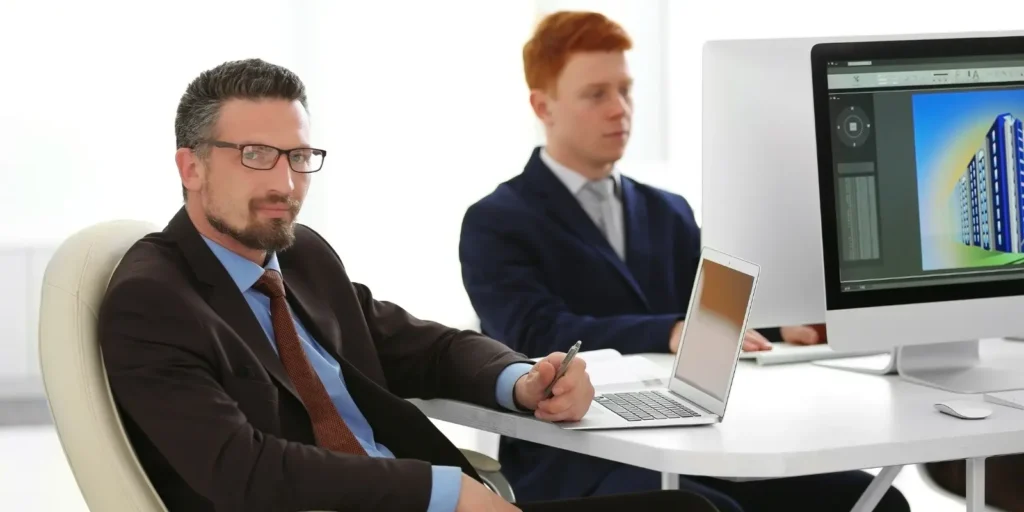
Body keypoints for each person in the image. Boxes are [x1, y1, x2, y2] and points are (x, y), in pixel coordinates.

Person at [97, 58, 721, 512]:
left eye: (299, 157)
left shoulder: (301, 254)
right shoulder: (152, 301)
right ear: (191, 166)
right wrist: (442, 493)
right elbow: (244, 471)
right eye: (257, 155)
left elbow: (421, 345)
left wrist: (521, 379)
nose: (285, 185)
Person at [458, 11, 908, 512]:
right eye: (596, 94)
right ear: (543, 105)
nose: (620, 110)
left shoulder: (667, 210)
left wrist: (781, 329)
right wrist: (670, 331)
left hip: (686, 437)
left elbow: (709, 306)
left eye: (625, 90)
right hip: (574, 456)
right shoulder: (496, 221)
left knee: (874, 500)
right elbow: (535, 331)